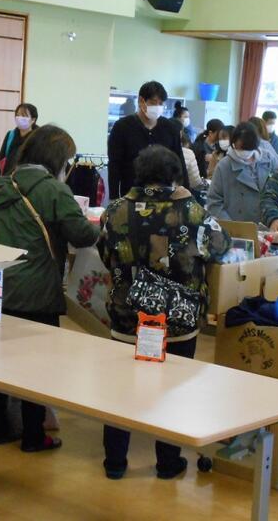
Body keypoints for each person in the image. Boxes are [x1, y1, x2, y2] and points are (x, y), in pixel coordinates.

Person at [98, 145, 230, 480]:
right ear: (175, 176)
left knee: (119, 392)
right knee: (173, 392)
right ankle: (168, 464)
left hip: (127, 317)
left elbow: (104, 253)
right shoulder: (192, 211)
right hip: (177, 319)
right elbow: (221, 246)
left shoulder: (115, 210)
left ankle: (115, 463)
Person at [0, 125, 100, 452]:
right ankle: (33, 435)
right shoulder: (53, 191)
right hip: (38, 290)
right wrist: (100, 226)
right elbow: (81, 235)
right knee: (37, 366)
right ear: (57, 159)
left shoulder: (1, 186)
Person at [107, 81, 188, 198]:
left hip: (164, 196)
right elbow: (114, 165)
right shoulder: (122, 127)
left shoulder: (170, 128)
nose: (157, 107)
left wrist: (185, 194)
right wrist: (113, 197)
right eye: (153, 103)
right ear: (141, 101)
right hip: (132, 195)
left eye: (161, 104)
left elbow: (180, 163)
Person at [207, 123, 278, 222]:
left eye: (247, 149)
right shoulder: (224, 166)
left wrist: (275, 218)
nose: (244, 152)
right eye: (240, 148)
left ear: (255, 146)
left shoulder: (269, 159)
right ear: (233, 144)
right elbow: (214, 201)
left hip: (266, 222)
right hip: (237, 224)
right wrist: (231, 225)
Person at [0, 103, 39, 182]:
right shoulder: (11, 135)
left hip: (27, 182)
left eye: (24, 115)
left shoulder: (39, 138)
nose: (20, 118)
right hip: (7, 181)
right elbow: (1, 159)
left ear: (33, 119)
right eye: (18, 115)